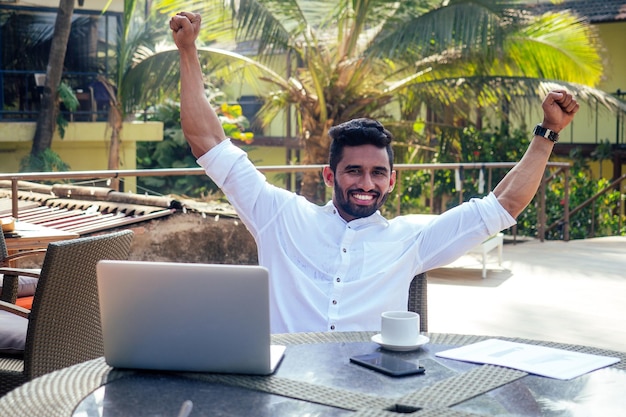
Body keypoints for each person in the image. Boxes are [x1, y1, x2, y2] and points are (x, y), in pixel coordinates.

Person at [170, 12, 579, 334]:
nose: (367, 184)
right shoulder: (279, 214)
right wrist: (188, 51)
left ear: (392, 179)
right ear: (329, 176)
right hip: (281, 388)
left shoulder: (412, 239)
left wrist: (547, 133)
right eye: (353, 171)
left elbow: (505, 204)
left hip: (367, 393)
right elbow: (206, 141)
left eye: (377, 173)